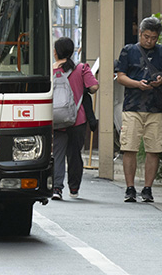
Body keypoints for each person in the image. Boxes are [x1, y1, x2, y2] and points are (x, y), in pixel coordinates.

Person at [113, 16, 162, 204]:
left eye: (153, 38)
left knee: (154, 149)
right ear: (140, 33)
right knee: (129, 147)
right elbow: (120, 76)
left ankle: (148, 189)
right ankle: (130, 188)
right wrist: (136, 84)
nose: (149, 41)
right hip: (132, 105)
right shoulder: (128, 51)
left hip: (156, 107)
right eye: (146, 36)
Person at [51, 36, 97, 200]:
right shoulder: (81, 68)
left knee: (57, 153)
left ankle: (56, 188)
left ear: (55, 52)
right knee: (75, 154)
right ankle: (74, 188)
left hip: (57, 118)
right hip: (78, 119)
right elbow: (94, 87)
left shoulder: (51, 70)